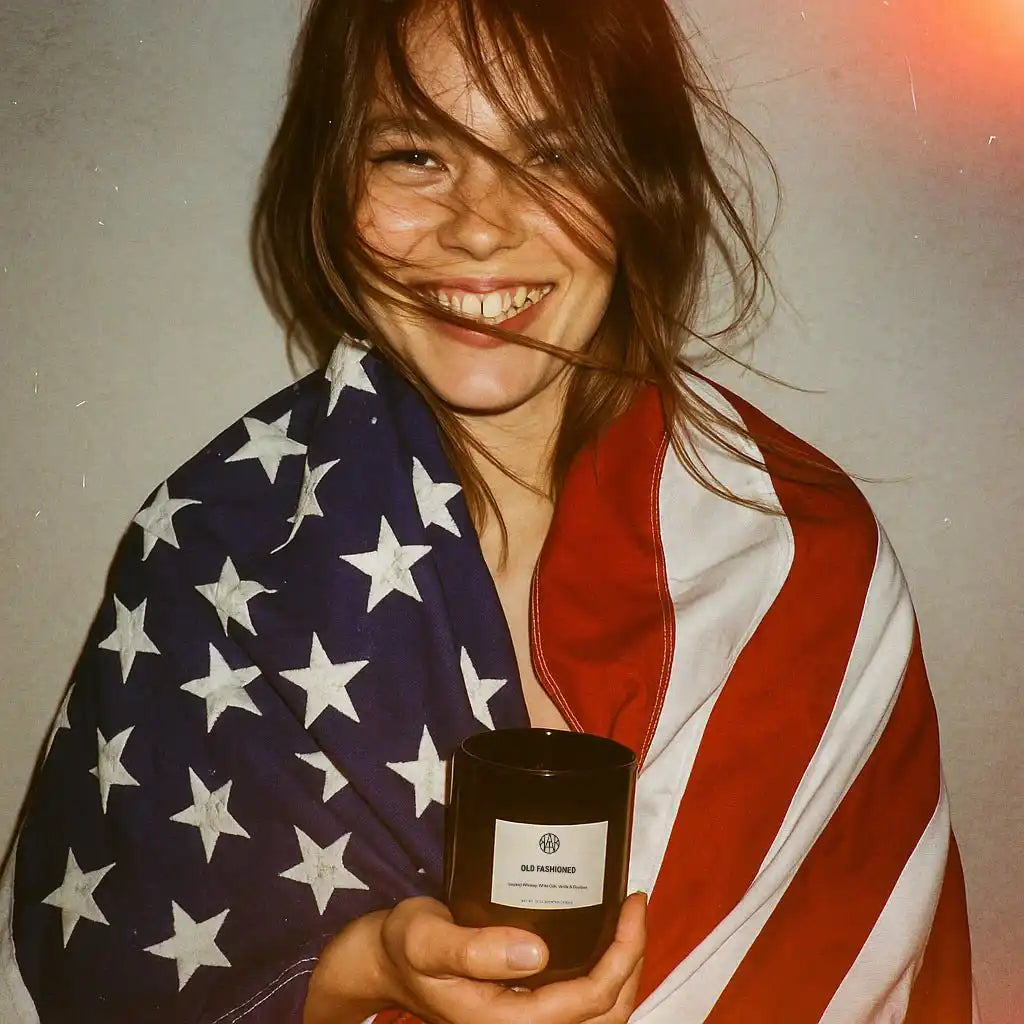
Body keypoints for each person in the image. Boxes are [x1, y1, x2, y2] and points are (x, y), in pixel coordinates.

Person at [0, 0, 974, 1021]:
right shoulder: (213, 549)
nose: (478, 224)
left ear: (644, 186)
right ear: (332, 182)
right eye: (414, 154)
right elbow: (100, 982)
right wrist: (361, 970)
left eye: (553, 156)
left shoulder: (796, 557)